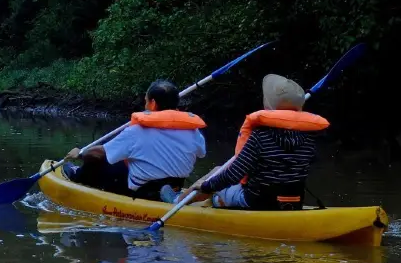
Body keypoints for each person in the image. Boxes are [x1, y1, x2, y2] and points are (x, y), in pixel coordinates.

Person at [171, 74, 330, 210]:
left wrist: (206, 186)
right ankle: (191, 198)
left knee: (216, 177)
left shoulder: (260, 136)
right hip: (294, 201)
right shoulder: (309, 137)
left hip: (258, 201)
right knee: (220, 174)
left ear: (268, 105)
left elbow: (234, 174)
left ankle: (179, 202)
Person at [63, 80, 207, 200]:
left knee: (96, 157)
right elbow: (202, 154)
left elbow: (99, 154)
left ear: (153, 103)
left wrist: (80, 153)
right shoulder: (194, 132)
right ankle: (167, 193)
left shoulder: (137, 132)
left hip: (142, 191)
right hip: (175, 186)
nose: (145, 105)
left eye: (146, 101)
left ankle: (78, 177)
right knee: (119, 158)